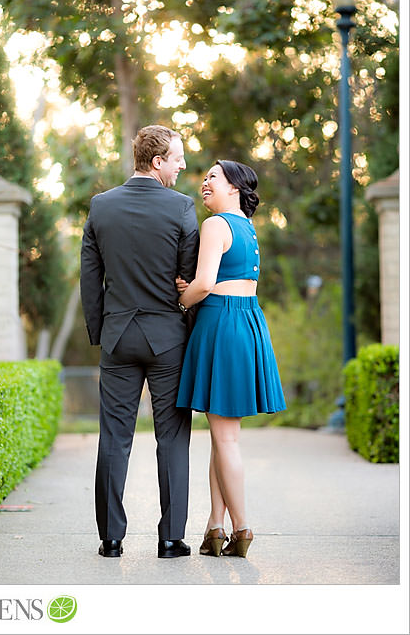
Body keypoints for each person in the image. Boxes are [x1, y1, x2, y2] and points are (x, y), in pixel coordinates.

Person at [80, 124, 200, 559]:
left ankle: (111, 539)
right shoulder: (182, 208)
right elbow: (187, 278)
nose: (183, 165)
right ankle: (171, 539)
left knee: (114, 437)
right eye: (177, 158)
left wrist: (101, 334)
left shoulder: (101, 207)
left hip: (117, 336)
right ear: (156, 162)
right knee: (172, 439)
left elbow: (90, 280)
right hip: (168, 338)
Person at [175, 160, 286, 559]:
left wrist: (181, 299)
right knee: (223, 440)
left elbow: (204, 284)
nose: (205, 183)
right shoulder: (246, 227)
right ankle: (215, 527)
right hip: (247, 321)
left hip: (221, 322)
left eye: (213, 178)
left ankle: (241, 528)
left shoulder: (215, 225)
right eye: (203, 178)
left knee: (225, 439)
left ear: (234, 188)